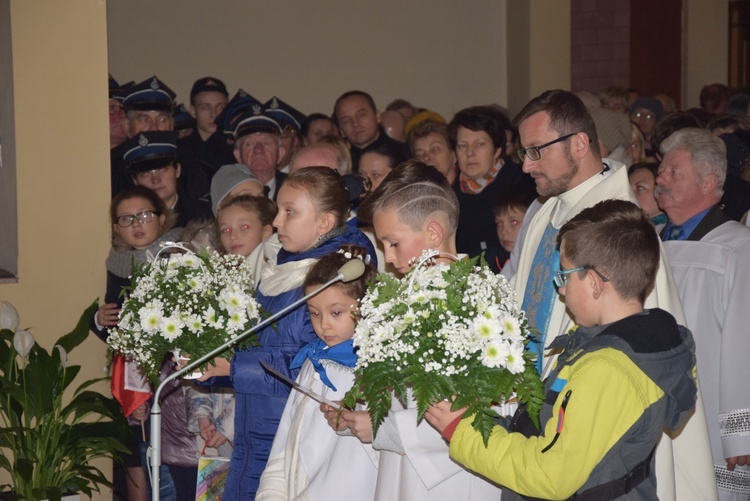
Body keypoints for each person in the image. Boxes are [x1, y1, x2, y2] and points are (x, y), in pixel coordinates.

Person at [505, 89, 717, 500]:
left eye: (535, 151)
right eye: (523, 153)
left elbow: (643, 352)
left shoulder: (622, 223)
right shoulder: (546, 211)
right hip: (534, 412)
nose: (527, 165)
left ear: (580, 144)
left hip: (594, 429)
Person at [426, 199, 698, 501]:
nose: (561, 289)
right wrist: (480, 419)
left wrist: (464, 432)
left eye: (565, 276)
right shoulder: (600, 344)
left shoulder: (609, 369)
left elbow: (551, 475)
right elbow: (547, 429)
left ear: (594, 283)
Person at [323, 160, 502, 500]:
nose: (388, 258)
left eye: (393, 242)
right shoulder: (407, 298)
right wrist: (358, 412)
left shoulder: (477, 301)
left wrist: (381, 428)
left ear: (433, 233)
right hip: (403, 470)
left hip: (452, 479)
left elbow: (481, 411)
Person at [198, 167, 376, 500]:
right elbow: (253, 346)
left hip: (293, 436)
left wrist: (232, 367)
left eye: (289, 211)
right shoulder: (275, 267)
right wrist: (208, 363)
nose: (277, 221)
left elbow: (314, 365)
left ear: (323, 222)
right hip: (253, 427)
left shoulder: (335, 279)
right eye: (278, 210)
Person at [655, 128, 750, 500]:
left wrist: (740, 431)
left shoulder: (736, 249)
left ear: (709, 182)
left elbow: (744, 343)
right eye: (661, 170)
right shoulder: (653, 240)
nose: (660, 178)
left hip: (711, 412)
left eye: (672, 172)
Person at [257, 245, 379, 500]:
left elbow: (352, 468)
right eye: (314, 313)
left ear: (367, 305)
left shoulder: (369, 372)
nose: (323, 324)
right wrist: (271, 492)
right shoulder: (314, 358)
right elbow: (287, 439)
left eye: (337, 312)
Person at [90, 186, 184, 501]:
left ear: (161, 217)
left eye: (144, 215)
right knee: (134, 454)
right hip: (130, 376)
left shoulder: (180, 255)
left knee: (174, 469)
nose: (136, 224)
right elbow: (115, 325)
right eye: (126, 219)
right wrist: (99, 320)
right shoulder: (117, 263)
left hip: (174, 382)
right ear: (117, 228)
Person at [448, 105, 535, 261]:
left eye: (479, 144)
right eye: (462, 146)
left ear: (497, 150)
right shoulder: (448, 196)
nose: (469, 153)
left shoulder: (524, 185)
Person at [122, 130, 213, 227]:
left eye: (162, 170)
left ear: (177, 170)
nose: (156, 180)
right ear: (135, 181)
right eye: (145, 174)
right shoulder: (128, 223)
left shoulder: (205, 216)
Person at [332, 90, 410, 172]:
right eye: (346, 121)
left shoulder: (407, 155)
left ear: (377, 116)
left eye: (361, 115)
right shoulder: (340, 166)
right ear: (341, 130)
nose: (355, 123)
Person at [178, 76, 231, 180]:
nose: (213, 114)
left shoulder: (234, 149)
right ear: (193, 111)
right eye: (205, 108)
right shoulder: (179, 150)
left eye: (220, 107)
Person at [232, 108, 288, 199]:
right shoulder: (230, 194)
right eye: (249, 144)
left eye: (267, 143)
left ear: (281, 154)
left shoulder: (294, 188)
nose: (258, 150)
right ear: (238, 156)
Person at [486, 190, 536, 273]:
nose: (504, 232)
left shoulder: (539, 261)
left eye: (514, 222)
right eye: (500, 224)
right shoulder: (490, 261)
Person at [407, 118, 458, 184]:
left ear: (454, 155)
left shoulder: (472, 189)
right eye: (420, 154)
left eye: (435, 149)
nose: (426, 157)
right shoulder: (414, 192)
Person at [628, 162, 667, 230]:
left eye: (640, 188)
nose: (630, 196)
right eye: (629, 191)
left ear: (661, 192)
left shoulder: (675, 234)